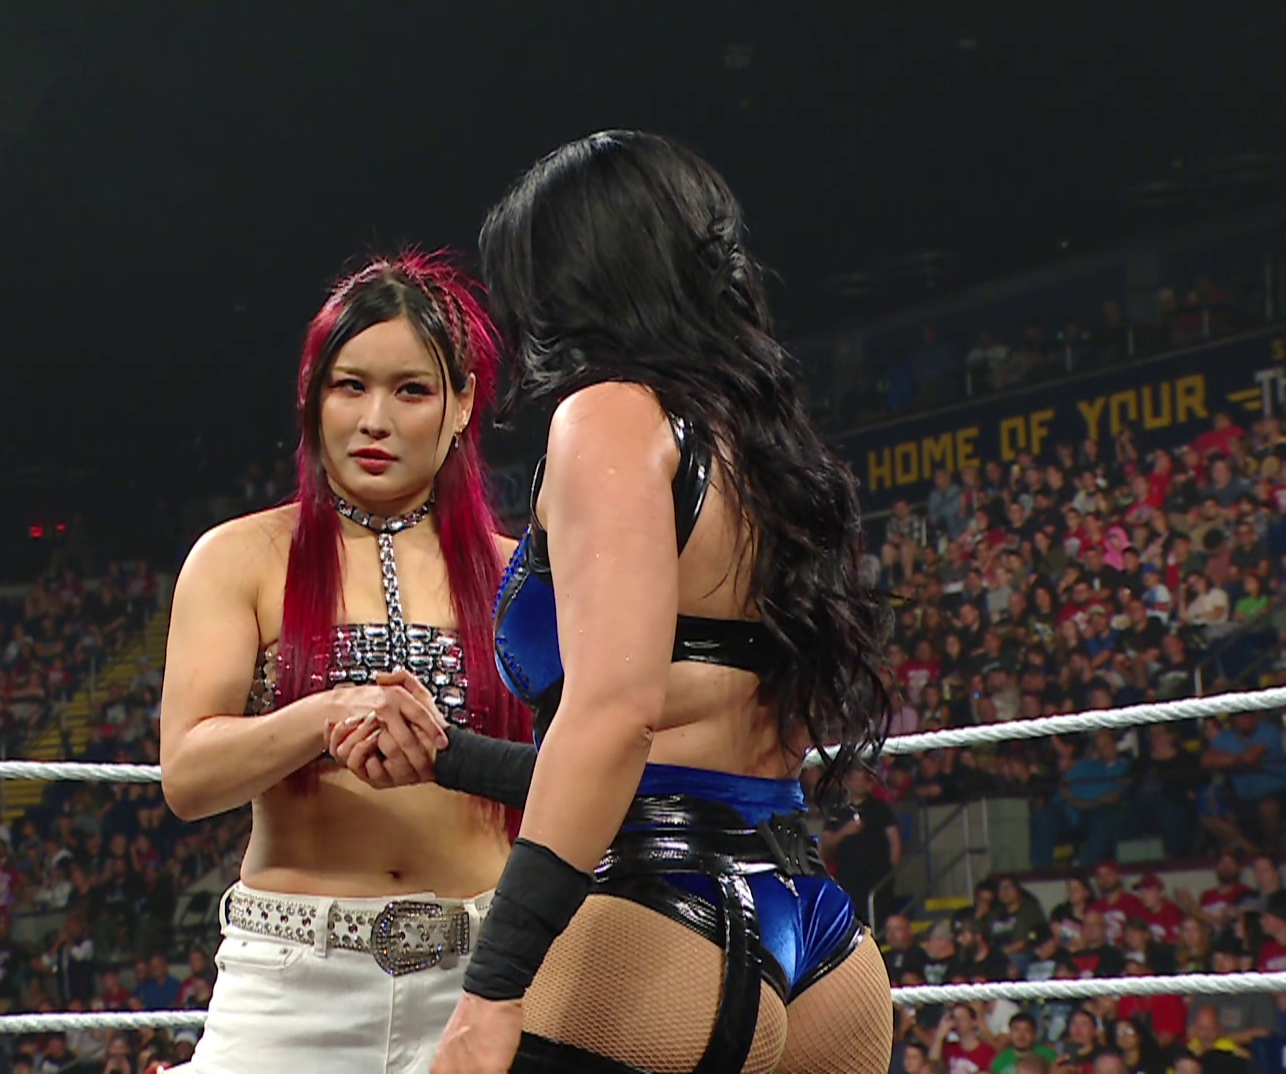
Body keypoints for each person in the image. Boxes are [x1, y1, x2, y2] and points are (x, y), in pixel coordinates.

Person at [332, 131, 892, 1072]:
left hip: (661, 918)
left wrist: (493, 989)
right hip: (822, 938)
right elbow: (679, 738)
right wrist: (452, 756)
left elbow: (616, 720)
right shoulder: (766, 444)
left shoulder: (612, 416)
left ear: (573, 279)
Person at [159, 253, 534, 1073]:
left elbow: (583, 774)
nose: (375, 420)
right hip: (291, 985)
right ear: (311, 395)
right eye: (349, 386)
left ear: (464, 403)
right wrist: (324, 715)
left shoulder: (521, 577)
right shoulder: (237, 559)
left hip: (484, 977)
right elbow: (187, 777)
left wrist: (454, 755)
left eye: (412, 390)